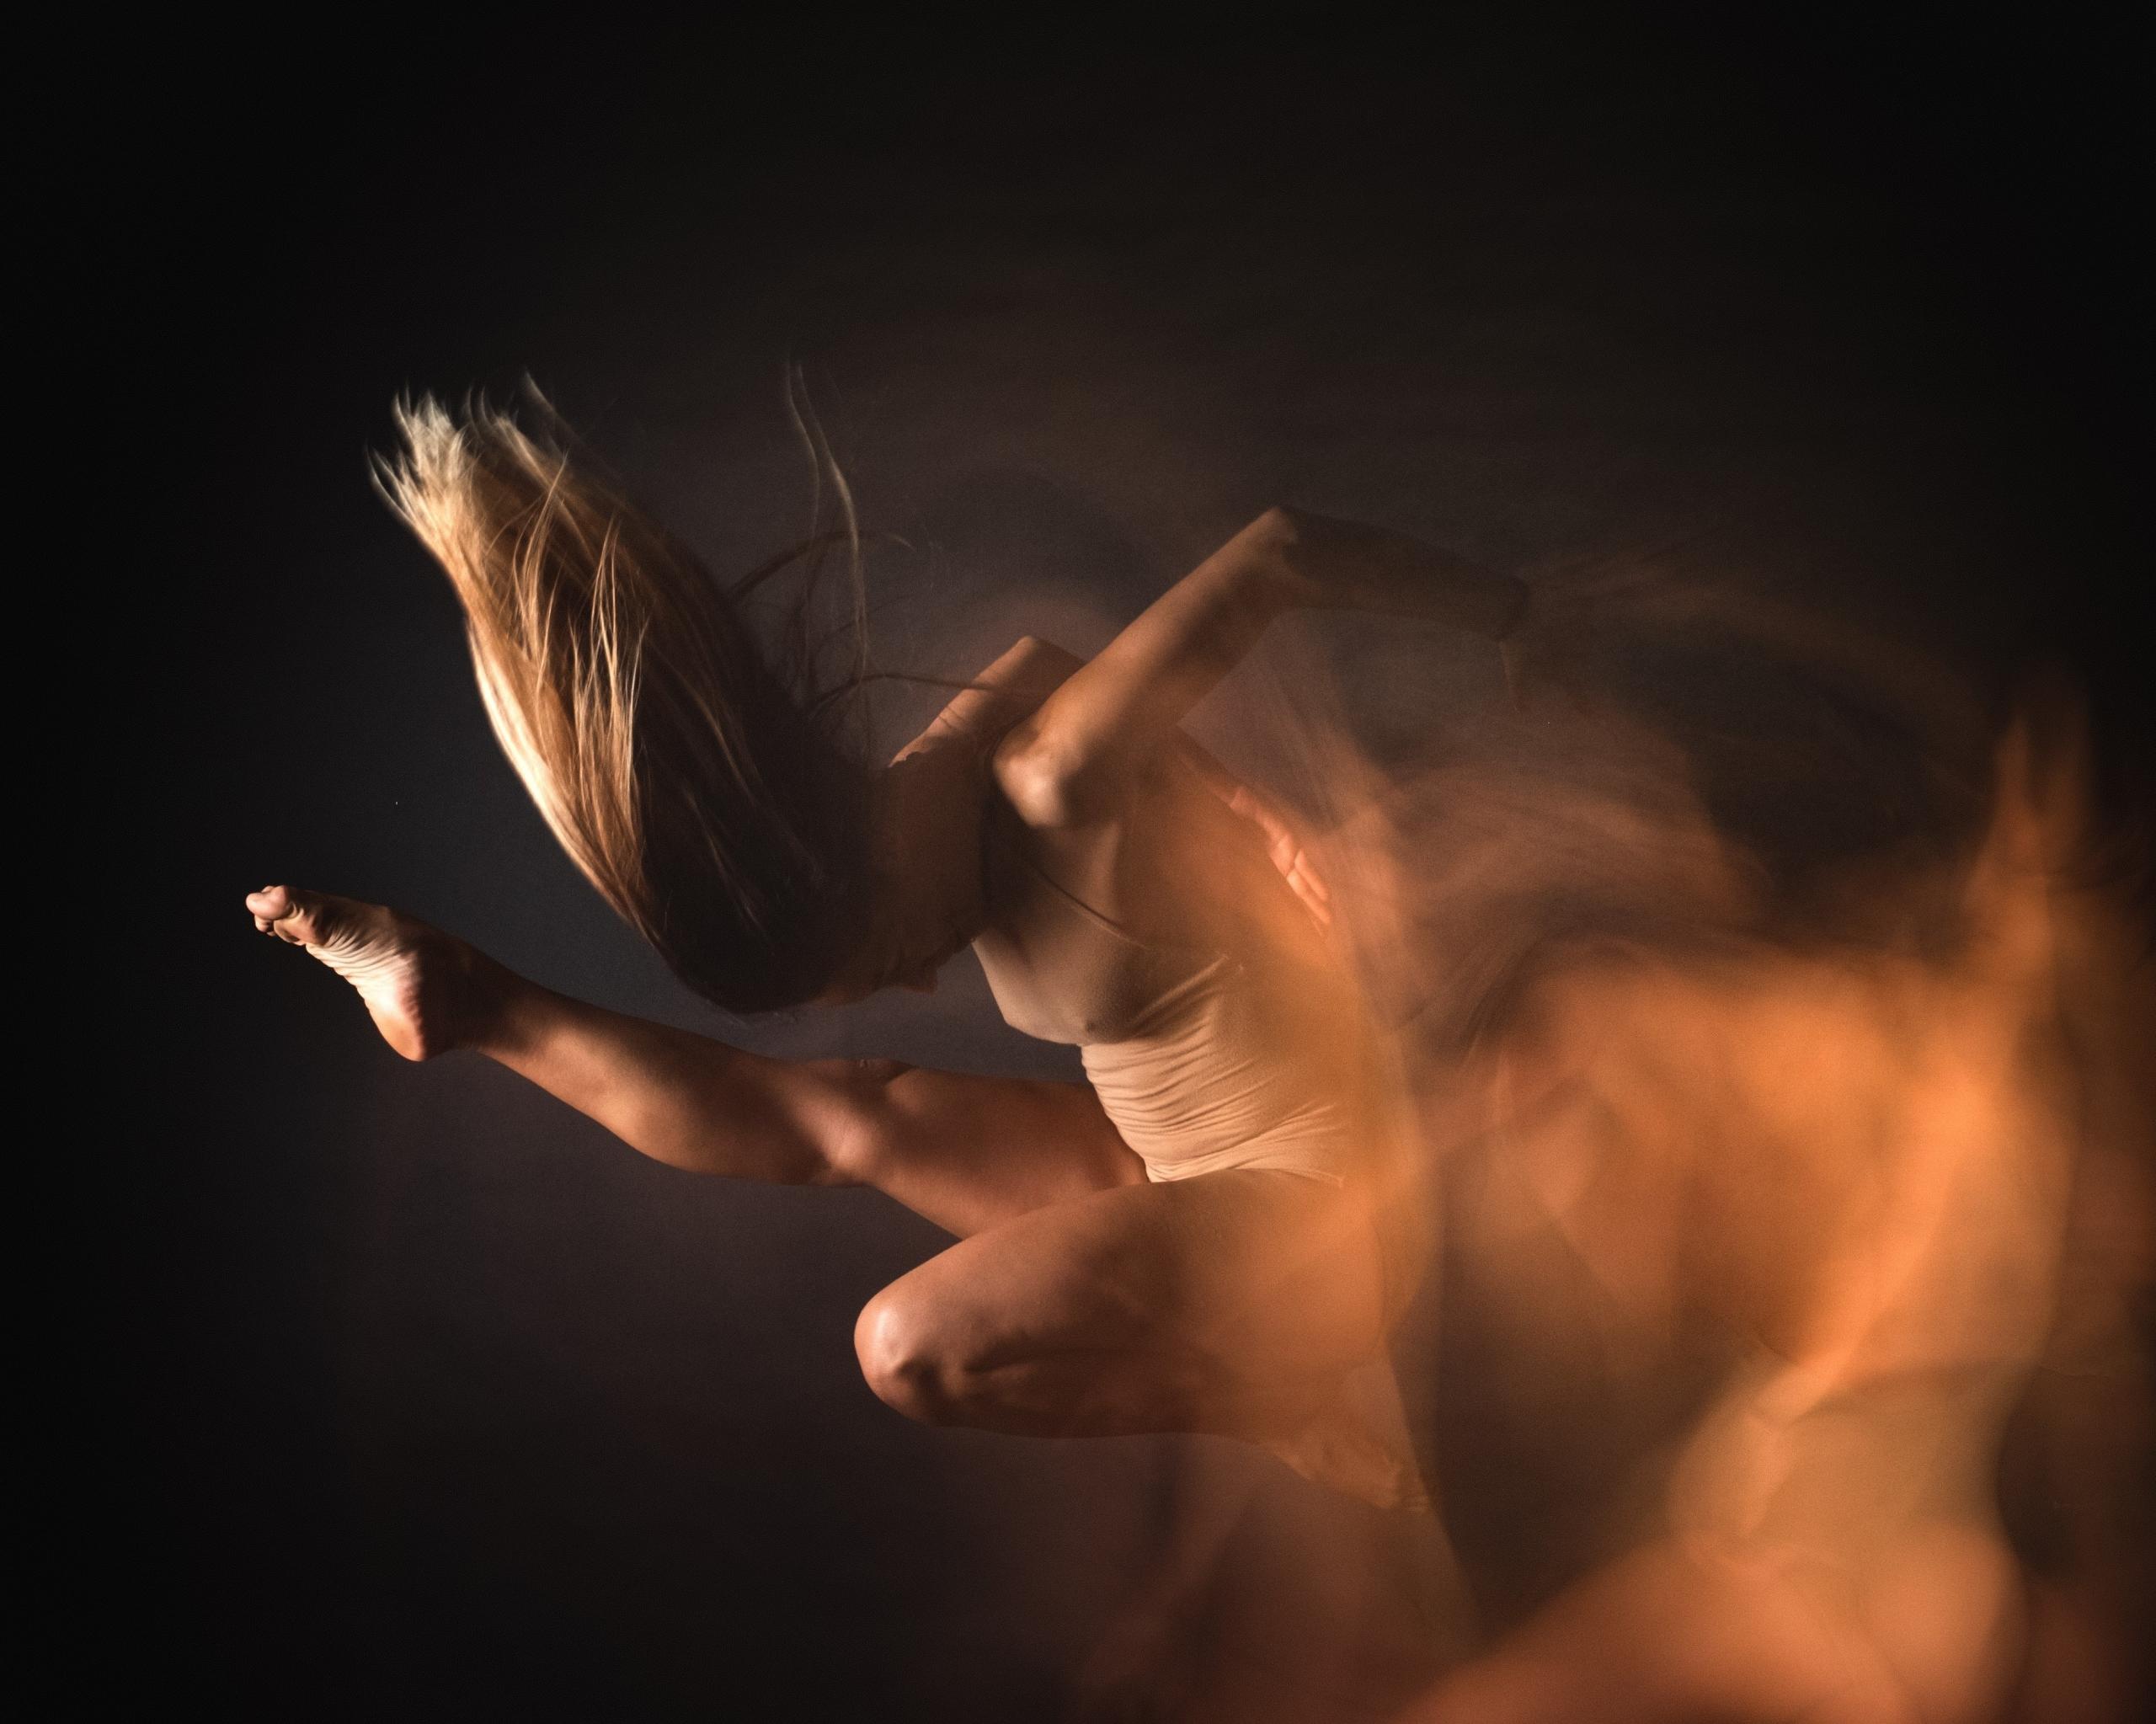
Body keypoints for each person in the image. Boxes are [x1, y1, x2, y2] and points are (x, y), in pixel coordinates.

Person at [245, 394, 1528, 1508]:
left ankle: (1267, 1405)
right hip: (1176, 1170)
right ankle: (474, 1001)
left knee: (909, 1345)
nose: (922, 979)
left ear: (860, 876)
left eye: (884, 960)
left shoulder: (1056, 782)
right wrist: (1231, 793)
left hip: (1323, 1218)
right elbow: (1036, 663)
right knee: (845, 1115)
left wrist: (1512, 617)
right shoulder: (942, 777)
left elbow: (1280, 550)